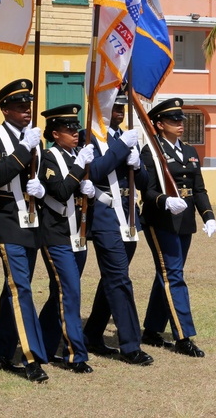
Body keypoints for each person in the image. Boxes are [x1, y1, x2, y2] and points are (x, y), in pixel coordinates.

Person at [0, 79, 50, 383]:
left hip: (32, 219)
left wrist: (42, 186)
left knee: (14, 287)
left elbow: (44, 175)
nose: (27, 111)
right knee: (21, 287)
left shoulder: (35, 138)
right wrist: (24, 148)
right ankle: (31, 356)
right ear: (5, 109)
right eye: (21, 107)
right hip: (6, 217)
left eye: (29, 106)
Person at [139, 97, 216, 358]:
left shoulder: (190, 152)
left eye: (181, 120)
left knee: (169, 273)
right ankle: (184, 336)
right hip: (160, 219)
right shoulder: (151, 151)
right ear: (159, 124)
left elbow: (198, 188)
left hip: (184, 222)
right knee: (174, 275)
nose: (179, 124)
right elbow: (146, 191)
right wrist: (165, 201)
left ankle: (151, 329)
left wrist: (208, 216)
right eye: (173, 120)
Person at [82, 93, 154, 366]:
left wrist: (137, 163)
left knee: (113, 278)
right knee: (119, 280)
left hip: (128, 215)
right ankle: (130, 344)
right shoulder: (88, 136)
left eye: (122, 107)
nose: (120, 112)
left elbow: (144, 181)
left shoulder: (127, 138)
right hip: (104, 214)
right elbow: (95, 171)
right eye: (114, 107)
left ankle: (92, 333)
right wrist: (121, 148)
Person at [37, 103, 95, 373]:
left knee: (59, 294)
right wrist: (79, 170)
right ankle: (75, 354)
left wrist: (91, 190)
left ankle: (42, 346)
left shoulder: (78, 155)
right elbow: (60, 191)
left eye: (75, 127)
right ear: (54, 133)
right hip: (56, 234)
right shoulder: (49, 157)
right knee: (70, 291)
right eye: (67, 128)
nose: (74, 132)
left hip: (78, 234)